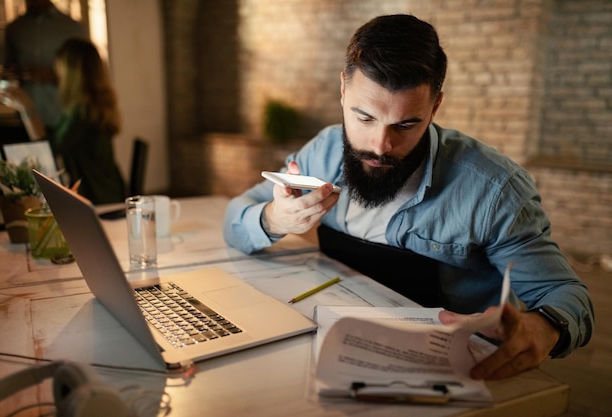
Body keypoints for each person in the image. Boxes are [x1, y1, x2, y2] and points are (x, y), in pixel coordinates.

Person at [223, 14, 594, 380]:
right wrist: (274, 218)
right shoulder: (323, 151)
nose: (380, 146)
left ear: (434, 107)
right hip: (334, 343)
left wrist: (546, 326)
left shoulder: (493, 190)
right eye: (364, 118)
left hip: (454, 368)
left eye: (405, 124)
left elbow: (563, 293)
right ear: (342, 89)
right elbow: (236, 217)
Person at [0, 38, 125, 205]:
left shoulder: (85, 114)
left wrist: (26, 108)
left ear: (72, 73)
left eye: (60, 68)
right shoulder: (88, 106)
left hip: (99, 198)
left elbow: (48, 151)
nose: (57, 74)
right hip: (105, 189)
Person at [2, 0, 87, 132]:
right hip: (24, 120)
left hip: (62, 118)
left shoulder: (72, 28)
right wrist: (8, 77)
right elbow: (7, 72)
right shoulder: (14, 29)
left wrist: (51, 76)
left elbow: (86, 75)